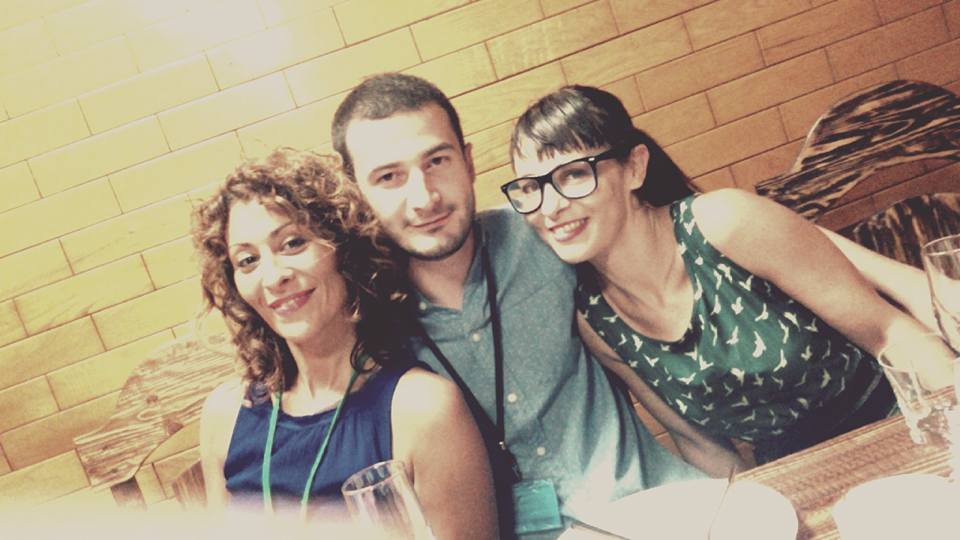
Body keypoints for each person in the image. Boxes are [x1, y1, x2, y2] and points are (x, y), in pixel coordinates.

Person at [331, 73, 703, 539]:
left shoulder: (551, 233)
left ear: (468, 161)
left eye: (437, 161)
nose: (424, 197)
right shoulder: (364, 321)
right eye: (389, 177)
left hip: (658, 512)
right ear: (356, 191)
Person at [504, 85, 949, 469]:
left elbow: (890, 333)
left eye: (574, 174)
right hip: (795, 471)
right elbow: (700, 444)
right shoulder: (596, 318)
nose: (550, 207)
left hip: (897, 423)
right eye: (531, 188)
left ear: (634, 168)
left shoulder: (724, 222)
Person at [193, 148, 497, 539]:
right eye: (248, 260)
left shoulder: (423, 410)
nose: (273, 276)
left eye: (292, 243)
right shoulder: (225, 415)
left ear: (344, 249)